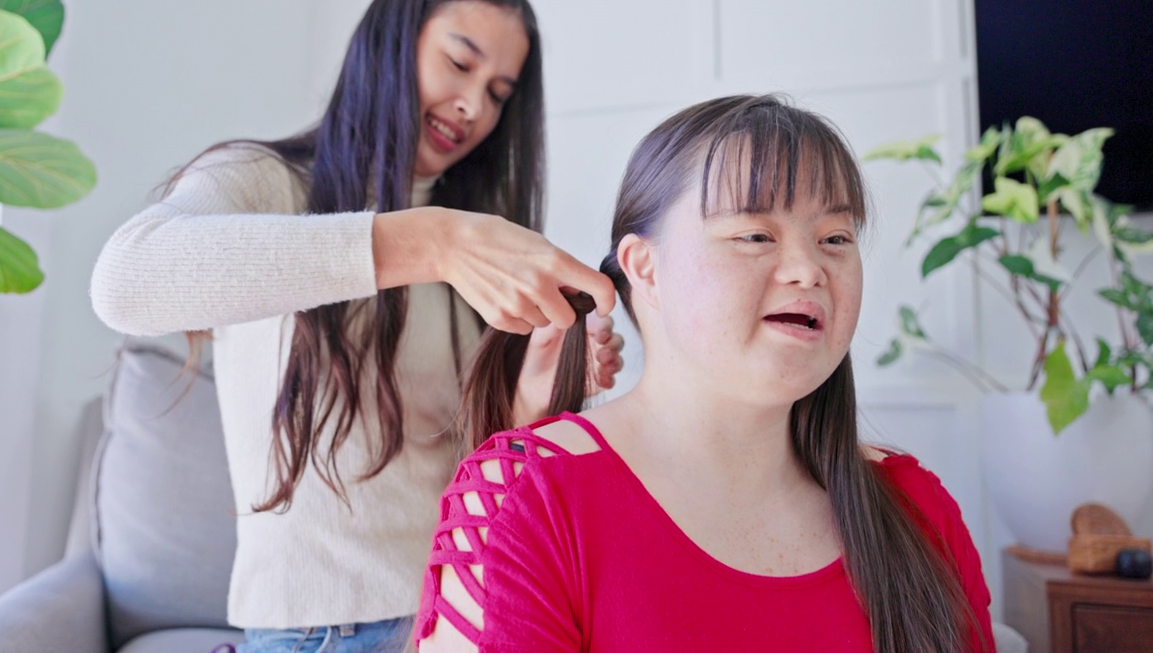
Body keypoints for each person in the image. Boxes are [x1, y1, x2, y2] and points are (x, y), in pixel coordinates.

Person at [90, 0, 623, 653]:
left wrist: (531, 401)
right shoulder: (266, 184)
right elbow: (125, 282)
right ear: (391, 44)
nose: (473, 106)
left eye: (498, 93)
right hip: (319, 632)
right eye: (460, 64)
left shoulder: (475, 244)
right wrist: (433, 241)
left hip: (462, 612)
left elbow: (463, 473)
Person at [414, 95, 995, 652]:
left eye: (836, 239)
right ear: (646, 267)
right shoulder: (522, 501)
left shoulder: (916, 504)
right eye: (755, 235)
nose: (808, 270)